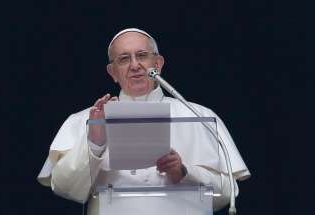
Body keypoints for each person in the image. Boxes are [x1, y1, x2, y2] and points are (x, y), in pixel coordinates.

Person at [37, 28, 250, 214]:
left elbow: (228, 194)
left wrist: (185, 172)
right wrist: (95, 144)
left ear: (158, 63)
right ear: (112, 72)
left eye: (142, 55)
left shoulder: (198, 116)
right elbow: (63, 187)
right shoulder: (85, 119)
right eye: (123, 59)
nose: (135, 65)